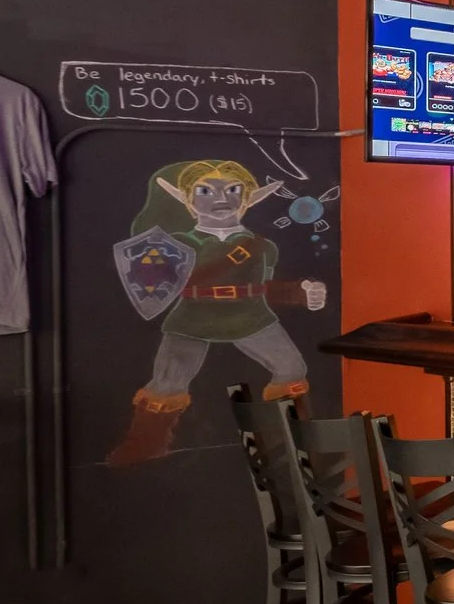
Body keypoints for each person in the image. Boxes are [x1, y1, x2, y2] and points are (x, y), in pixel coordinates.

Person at [107, 158, 325, 465]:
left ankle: (291, 442)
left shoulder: (263, 247)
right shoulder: (177, 245)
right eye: (205, 191)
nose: (221, 198)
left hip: (250, 317)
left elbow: (264, 288)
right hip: (192, 319)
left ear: (248, 197)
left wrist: (302, 292)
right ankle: (145, 445)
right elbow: (158, 282)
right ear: (188, 200)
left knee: (291, 369)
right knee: (167, 383)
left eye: (233, 189)